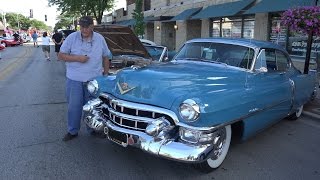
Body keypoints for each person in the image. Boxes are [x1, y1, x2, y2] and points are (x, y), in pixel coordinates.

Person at [58, 16, 111, 141]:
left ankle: (93, 129)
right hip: (74, 79)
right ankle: (73, 131)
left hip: (94, 81)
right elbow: (61, 55)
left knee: (93, 107)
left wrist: (106, 75)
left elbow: (106, 56)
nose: (84, 30)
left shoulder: (99, 38)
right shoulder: (72, 37)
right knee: (74, 107)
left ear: (92, 26)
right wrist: (78, 58)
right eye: (82, 27)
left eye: (87, 27)